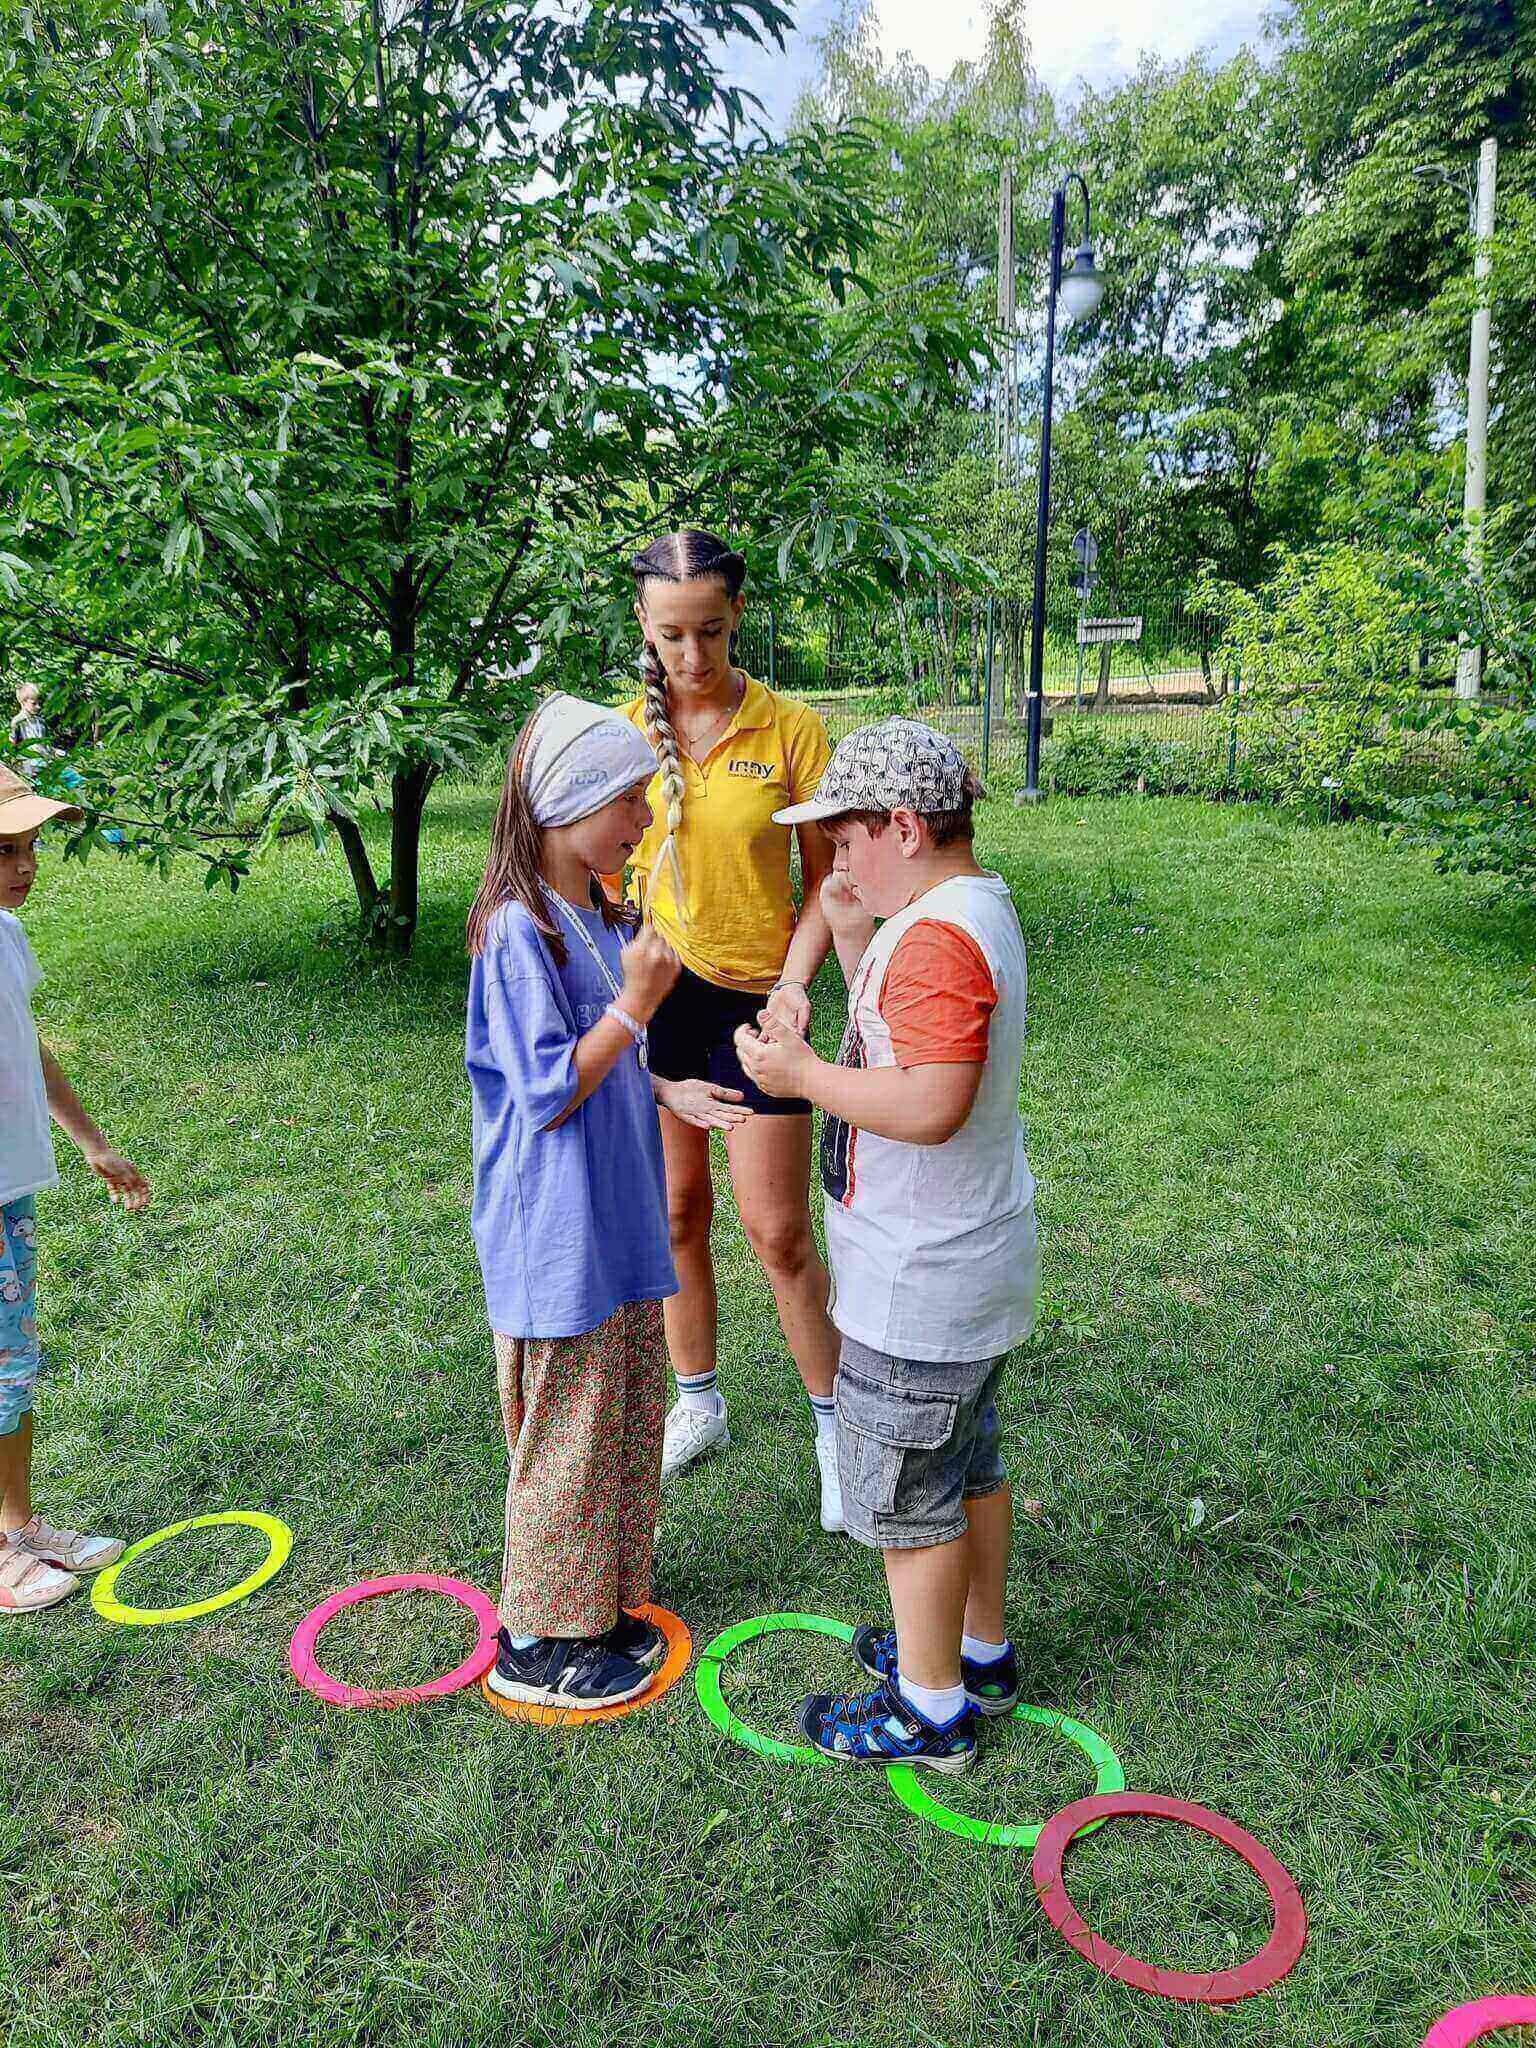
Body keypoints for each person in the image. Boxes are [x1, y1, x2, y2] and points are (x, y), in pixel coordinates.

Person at [735, 719, 1040, 1771]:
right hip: (966, 1271)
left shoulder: (939, 939)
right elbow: (908, 1032)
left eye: (846, 838)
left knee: (913, 1503)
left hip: (921, 1285)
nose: (835, 858)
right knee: (968, 1467)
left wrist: (803, 1078)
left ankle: (932, 1706)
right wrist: (849, 932)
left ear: (903, 827)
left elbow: (930, 1097)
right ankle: (976, 1649)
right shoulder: (956, 911)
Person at [467, 694, 737, 1710]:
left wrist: (666, 1084)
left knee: (622, 1414)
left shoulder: (590, 911)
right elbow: (543, 1088)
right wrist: (638, 1006)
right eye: (626, 797)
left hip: (610, 1222)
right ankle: (537, 1642)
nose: (643, 815)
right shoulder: (515, 928)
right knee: (566, 1437)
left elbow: (600, 1062)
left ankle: (599, 1606)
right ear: (567, 802)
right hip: (557, 1233)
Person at [613, 529, 846, 1532]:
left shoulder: (790, 728)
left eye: (710, 630)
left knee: (780, 1232)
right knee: (674, 1216)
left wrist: (796, 986)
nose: (693, 656)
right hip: (659, 1001)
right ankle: (697, 1397)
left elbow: (832, 881)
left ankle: (843, 1433)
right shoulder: (622, 733)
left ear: (738, 615)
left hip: (761, 1005)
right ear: (643, 624)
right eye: (672, 635)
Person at [0, 763, 151, 1615]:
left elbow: (30, 1049)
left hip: (10, 1189)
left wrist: (91, 1143)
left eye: (28, 847)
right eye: (2, 849)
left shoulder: (5, 935)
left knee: (11, 1364)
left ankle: (19, 1527)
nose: (24, 866)